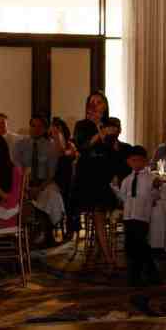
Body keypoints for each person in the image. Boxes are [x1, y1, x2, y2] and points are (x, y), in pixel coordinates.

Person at [71, 91, 120, 268]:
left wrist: (111, 138)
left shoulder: (110, 124)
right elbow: (82, 147)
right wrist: (99, 134)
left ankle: (100, 252)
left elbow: (113, 151)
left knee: (101, 215)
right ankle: (109, 258)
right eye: (91, 102)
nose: (94, 104)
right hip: (87, 176)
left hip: (103, 176)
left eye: (98, 102)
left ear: (104, 105)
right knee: (98, 215)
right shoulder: (82, 125)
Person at [112, 145, 160, 287]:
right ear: (129, 162)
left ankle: (140, 275)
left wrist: (156, 188)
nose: (136, 163)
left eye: (140, 160)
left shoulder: (151, 179)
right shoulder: (127, 180)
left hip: (142, 216)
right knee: (131, 246)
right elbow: (123, 198)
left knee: (140, 244)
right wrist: (114, 187)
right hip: (128, 216)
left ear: (145, 161)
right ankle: (142, 274)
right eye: (133, 160)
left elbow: (155, 197)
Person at [13, 115, 61, 245]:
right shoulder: (20, 145)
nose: (35, 129)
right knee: (20, 197)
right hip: (24, 182)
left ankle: (47, 233)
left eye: (39, 126)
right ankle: (24, 234)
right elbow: (16, 168)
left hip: (43, 183)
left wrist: (39, 188)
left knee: (52, 195)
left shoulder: (50, 147)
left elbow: (51, 174)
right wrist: (25, 186)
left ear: (45, 129)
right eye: (33, 125)